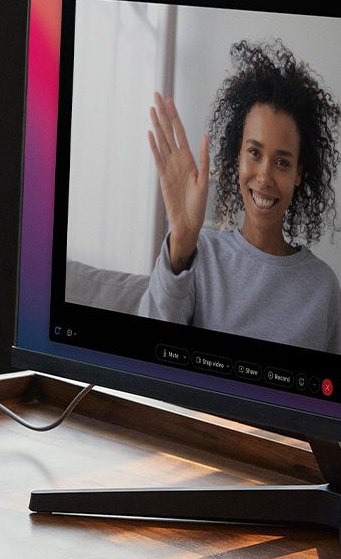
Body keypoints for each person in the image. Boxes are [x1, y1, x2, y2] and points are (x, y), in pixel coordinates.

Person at [140, 38, 341, 353]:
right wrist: (180, 243)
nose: (264, 177)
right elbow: (148, 352)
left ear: (299, 172)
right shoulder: (198, 252)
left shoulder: (323, 287)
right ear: (238, 156)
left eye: (282, 162)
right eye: (254, 152)